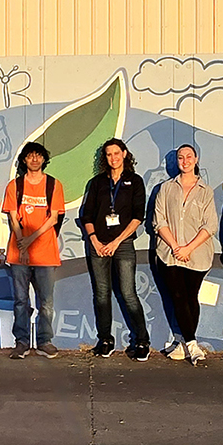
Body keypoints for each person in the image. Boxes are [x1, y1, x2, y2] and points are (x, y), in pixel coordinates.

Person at [79, 138, 150, 360]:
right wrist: (95, 241)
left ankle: (142, 341)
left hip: (124, 244)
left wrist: (117, 241)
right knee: (101, 295)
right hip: (97, 245)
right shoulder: (97, 182)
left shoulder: (135, 181)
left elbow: (138, 216)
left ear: (125, 154)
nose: (113, 158)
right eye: (109, 154)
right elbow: (87, 215)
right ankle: (105, 340)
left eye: (116, 153)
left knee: (128, 293)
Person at [154, 144, 220, 366]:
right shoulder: (165, 188)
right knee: (178, 296)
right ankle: (193, 345)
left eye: (188, 157)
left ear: (196, 159)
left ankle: (182, 342)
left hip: (197, 254)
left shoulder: (206, 191)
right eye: (180, 157)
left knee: (191, 297)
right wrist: (175, 246)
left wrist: (188, 248)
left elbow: (210, 225)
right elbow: (159, 221)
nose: (185, 161)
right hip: (169, 253)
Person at [2, 141, 66, 359]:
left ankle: (44, 341)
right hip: (19, 254)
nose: (35, 159)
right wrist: (21, 243)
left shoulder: (54, 185)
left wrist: (30, 240)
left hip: (45, 253)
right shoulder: (14, 186)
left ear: (44, 159)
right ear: (24, 160)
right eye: (30, 156)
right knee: (21, 301)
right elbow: (13, 217)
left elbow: (53, 218)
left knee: (46, 302)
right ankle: (21, 342)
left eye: (39, 155)